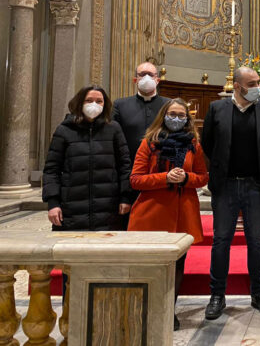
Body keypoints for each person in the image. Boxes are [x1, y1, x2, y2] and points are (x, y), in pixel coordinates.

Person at [201, 67, 260, 320]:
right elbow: (207, 143)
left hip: (256, 185)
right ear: (237, 85)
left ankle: (259, 293)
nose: (258, 86)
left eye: (258, 82)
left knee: (256, 241)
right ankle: (217, 295)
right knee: (221, 240)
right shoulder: (217, 109)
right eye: (252, 83)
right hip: (225, 186)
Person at [127, 98, 208, 331]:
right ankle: (144, 309)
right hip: (152, 213)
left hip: (183, 213)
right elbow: (136, 179)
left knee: (177, 265)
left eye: (182, 116)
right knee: (148, 266)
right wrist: (164, 178)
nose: (177, 119)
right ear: (164, 115)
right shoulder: (148, 143)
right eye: (173, 114)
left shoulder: (194, 144)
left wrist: (186, 178)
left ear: (188, 119)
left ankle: (168, 311)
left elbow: (202, 177)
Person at [43, 85, 132, 231]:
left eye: (99, 101)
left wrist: (125, 197)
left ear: (105, 104)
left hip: (108, 209)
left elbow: (125, 166)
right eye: (89, 100)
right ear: (79, 102)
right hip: (71, 209)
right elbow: (52, 170)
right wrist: (53, 203)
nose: (94, 104)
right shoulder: (64, 130)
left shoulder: (114, 129)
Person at [113, 62, 170, 216]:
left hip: (160, 171)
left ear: (157, 80)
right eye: (142, 74)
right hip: (128, 170)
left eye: (150, 74)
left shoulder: (169, 104)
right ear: (135, 79)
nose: (146, 77)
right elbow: (114, 137)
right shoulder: (120, 105)